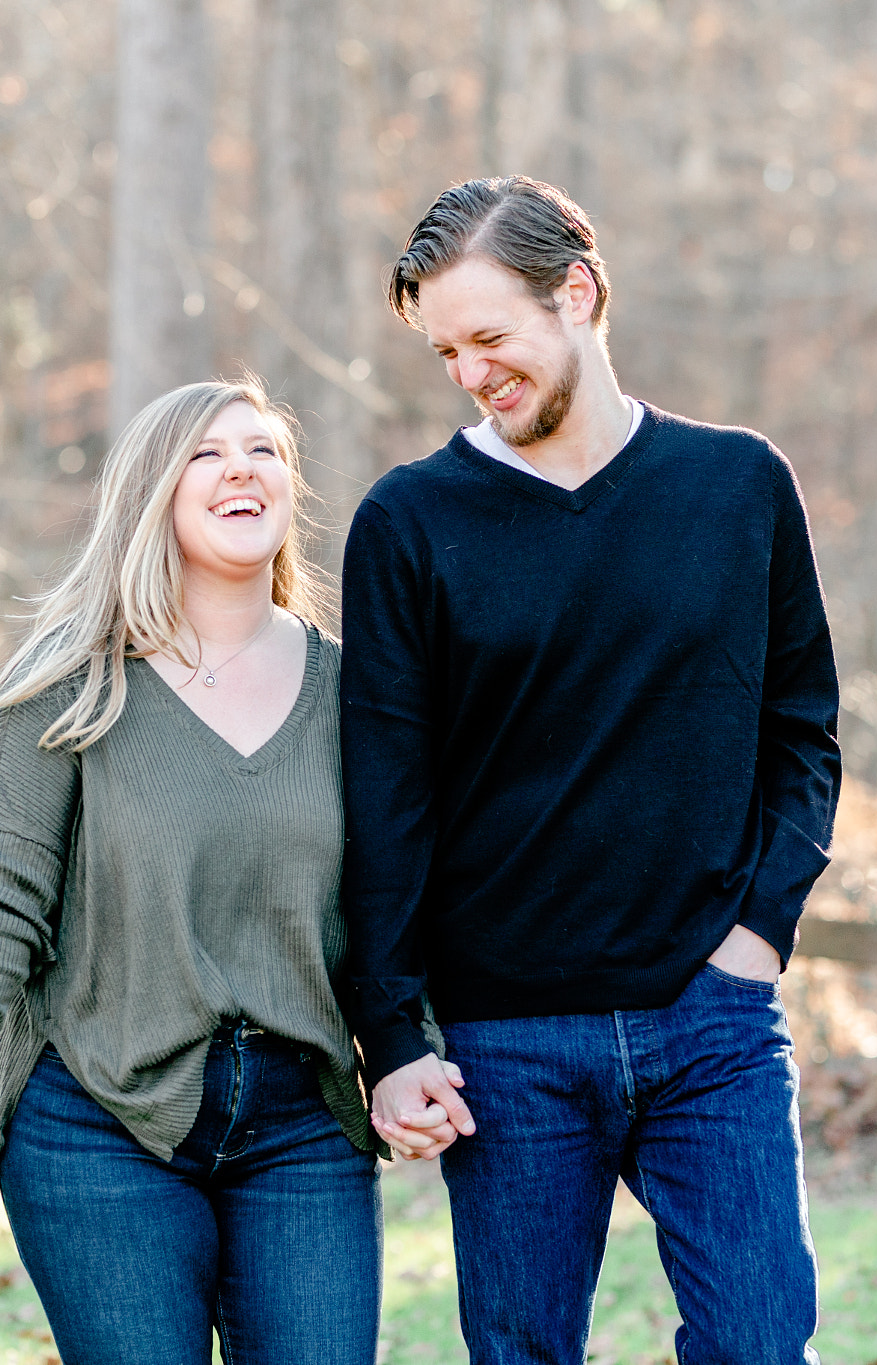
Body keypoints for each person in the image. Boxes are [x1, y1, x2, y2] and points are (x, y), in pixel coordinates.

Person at [339, 177, 841, 1364]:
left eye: (490, 338)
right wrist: (393, 1035)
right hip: (502, 1044)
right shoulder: (408, 523)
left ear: (578, 292)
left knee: (762, 1347)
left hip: (707, 1019)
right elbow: (383, 798)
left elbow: (802, 730)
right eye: (445, 350)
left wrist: (756, 935)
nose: (469, 372)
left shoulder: (736, 486)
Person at [0, 379, 383, 1365]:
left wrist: (414, 1049)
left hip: (303, 1129)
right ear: (150, 494)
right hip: (96, 1117)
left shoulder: (358, 693)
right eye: (205, 454)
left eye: (263, 451)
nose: (241, 469)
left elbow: (391, 907)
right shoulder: (67, 689)